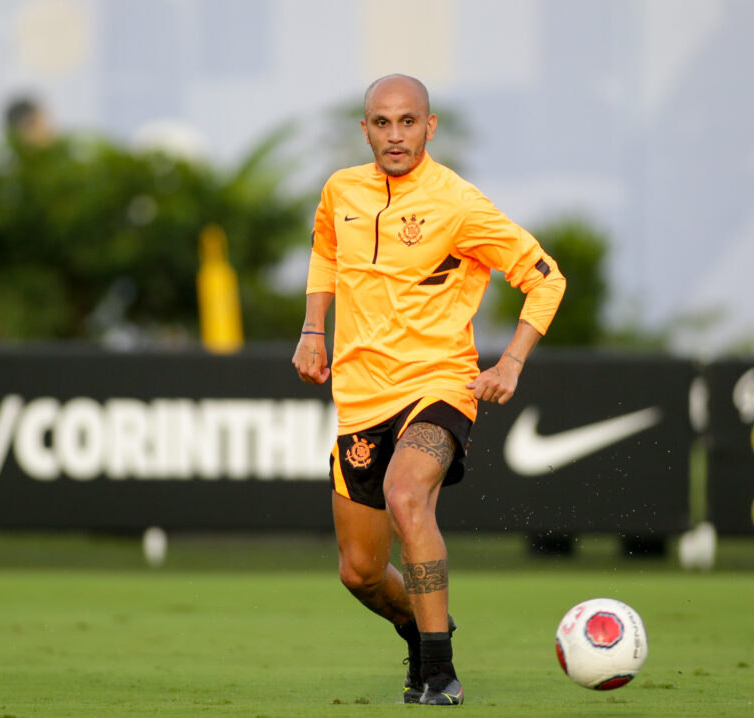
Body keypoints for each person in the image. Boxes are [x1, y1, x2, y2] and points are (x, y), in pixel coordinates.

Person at [291, 74, 565, 705]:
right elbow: (325, 252)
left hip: (438, 385)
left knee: (406, 496)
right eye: (382, 123)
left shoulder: (459, 202)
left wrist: (512, 362)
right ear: (365, 129)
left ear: (430, 126)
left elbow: (546, 279)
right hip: (360, 398)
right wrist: (312, 327)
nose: (395, 135)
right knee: (359, 572)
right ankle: (420, 628)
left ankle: (438, 673)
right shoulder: (341, 190)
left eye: (407, 122)